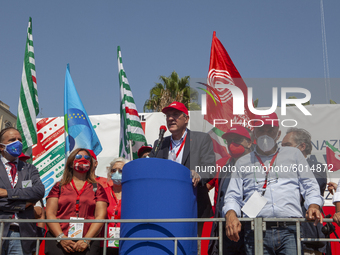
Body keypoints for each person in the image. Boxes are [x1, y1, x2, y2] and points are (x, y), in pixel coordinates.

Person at [223, 113, 324, 255]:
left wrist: (313, 205)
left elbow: (310, 185)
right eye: (261, 130)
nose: (265, 134)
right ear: (254, 133)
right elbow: (232, 196)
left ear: (278, 133)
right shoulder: (242, 162)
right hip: (255, 231)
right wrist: (231, 214)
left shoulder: (293, 154)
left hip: (289, 229)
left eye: (270, 130)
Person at [149, 101, 215, 238]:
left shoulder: (201, 139)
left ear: (186, 119)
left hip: (194, 204)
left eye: (175, 115)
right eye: (168, 116)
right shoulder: (160, 143)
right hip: (166, 207)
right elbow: (152, 170)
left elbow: (210, 167)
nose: (171, 118)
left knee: (193, 248)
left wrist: (199, 174)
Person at [45, 148, 109, 255]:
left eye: (87, 158)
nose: (83, 159)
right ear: (70, 164)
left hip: (87, 242)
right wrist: (61, 238)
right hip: (59, 240)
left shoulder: (97, 188)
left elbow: (100, 216)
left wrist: (86, 240)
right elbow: (50, 213)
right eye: (78, 157)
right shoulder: (58, 186)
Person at [282, 127, 330, 255]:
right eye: (281, 146)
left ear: (302, 146)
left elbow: (311, 190)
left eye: (287, 145)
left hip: (309, 238)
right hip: (284, 237)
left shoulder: (316, 167)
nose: (282, 150)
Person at [208, 125, 253, 255]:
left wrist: (242, 218)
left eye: (237, 140)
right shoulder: (223, 166)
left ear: (249, 143)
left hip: (250, 231)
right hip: (225, 231)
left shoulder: (259, 165)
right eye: (229, 141)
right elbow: (207, 186)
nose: (232, 144)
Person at [0, 127, 45, 255]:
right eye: (12, 140)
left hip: (21, 234)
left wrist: (6, 193)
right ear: (1, 147)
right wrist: (22, 205)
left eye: (19, 140)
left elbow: (38, 191)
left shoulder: (30, 169)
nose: (18, 143)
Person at [101, 157, 130, 254]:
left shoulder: (132, 194)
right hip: (104, 241)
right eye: (114, 170)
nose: (117, 173)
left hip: (125, 241)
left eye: (121, 171)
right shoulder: (102, 192)